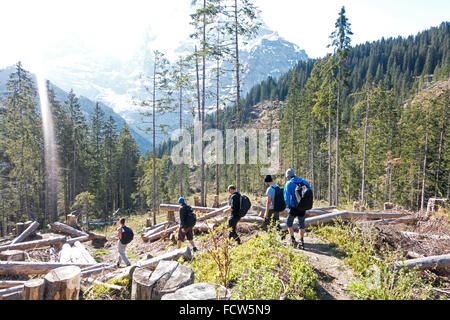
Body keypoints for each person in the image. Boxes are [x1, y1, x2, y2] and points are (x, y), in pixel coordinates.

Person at [283, 168, 312, 249]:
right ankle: (302, 240)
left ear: (288, 176)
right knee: (301, 223)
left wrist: (288, 205)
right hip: (302, 207)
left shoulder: (288, 183)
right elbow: (310, 192)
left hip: (293, 207)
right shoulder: (304, 182)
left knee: (289, 223)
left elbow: (286, 196)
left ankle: (292, 239)